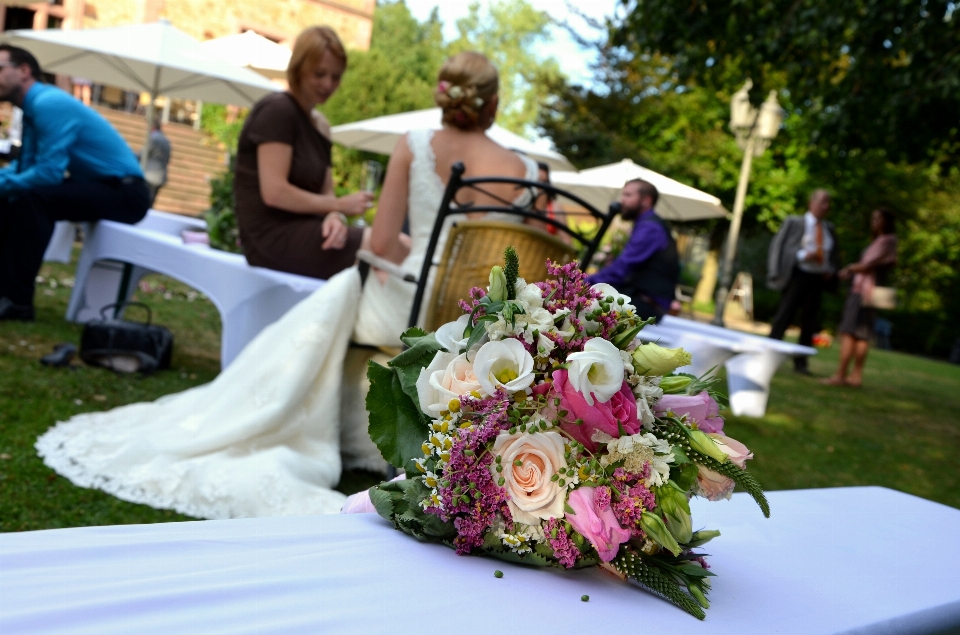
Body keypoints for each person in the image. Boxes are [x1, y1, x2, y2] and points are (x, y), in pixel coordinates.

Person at [36, 49, 539, 519]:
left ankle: (281, 406)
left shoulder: (415, 144)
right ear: (493, 103)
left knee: (344, 288)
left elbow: (383, 242)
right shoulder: (529, 169)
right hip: (477, 317)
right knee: (349, 288)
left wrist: (401, 252)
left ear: (443, 95)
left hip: (417, 306)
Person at [0, 45, 149, 321]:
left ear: (24, 71)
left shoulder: (48, 104)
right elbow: (26, 168)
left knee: (35, 200)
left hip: (126, 193)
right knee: (15, 197)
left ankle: (17, 302)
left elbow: (48, 175)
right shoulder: (32, 108)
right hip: (103, 186)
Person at [233, 26, 377, 280]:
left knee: (393, 249)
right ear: (299, 68)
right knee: (386, 245)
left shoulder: (321, 125)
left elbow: (326, 191)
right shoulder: (278, 111)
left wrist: (333, 217)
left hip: (307, 231)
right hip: (271, 239)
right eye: (319, 74)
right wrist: (340, 206)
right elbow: (275, 193)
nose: (328, 84)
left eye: (335, 77)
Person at [767, 189, 841, 373]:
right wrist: (801, 256)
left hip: (817, 279)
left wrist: (830, 270)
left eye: (828, 202)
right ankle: (767, 355)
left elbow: (834, 256)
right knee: (785, 314)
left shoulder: (828, 228)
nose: (826, 206)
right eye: (823, 201)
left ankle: (801, 363)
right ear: (812, 203)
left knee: (810, 321)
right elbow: (779, 246)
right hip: (797, 275)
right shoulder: (794, 222)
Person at [821, 208, 897, 387]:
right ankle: (855, 377)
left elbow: (867, 265)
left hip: (862, 292)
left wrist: (849, 268)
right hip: (869, 292)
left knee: (849, 332)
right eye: (873, 218)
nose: (874, 221)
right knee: (862, 334)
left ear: (886, 221)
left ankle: (841, 375)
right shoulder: (882, 241)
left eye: (878, 218)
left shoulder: (887, 241)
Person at [587, 179, 679, 322]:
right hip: (641, 299)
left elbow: (622, 268)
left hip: (646, 304)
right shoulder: (646, 224)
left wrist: (586, 281)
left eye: (628, 195)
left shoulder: (650, 228)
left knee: (581, 304)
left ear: (646, 200)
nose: (622, 200)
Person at [141, 119, 170, 207]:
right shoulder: (166, 140)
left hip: (150, 175)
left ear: (153, 127)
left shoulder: (154, 139)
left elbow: (143, 154)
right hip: (161, 176)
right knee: (150, 203)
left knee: (144, 201)